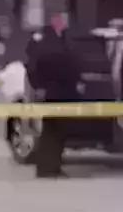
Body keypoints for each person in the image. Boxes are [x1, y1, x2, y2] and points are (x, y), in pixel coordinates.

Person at [26, 11, 81, 179]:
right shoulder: (42, 40)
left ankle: (54, 166)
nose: (63, 22)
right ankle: (46, 168)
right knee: (51, 130)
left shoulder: (64, 38)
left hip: (65, 91)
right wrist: (39, 86)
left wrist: (77, 81)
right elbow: (33, 66)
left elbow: (72, 63)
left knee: (59, 131)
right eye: (60, 18)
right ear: (52, 20)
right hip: (51, 90)